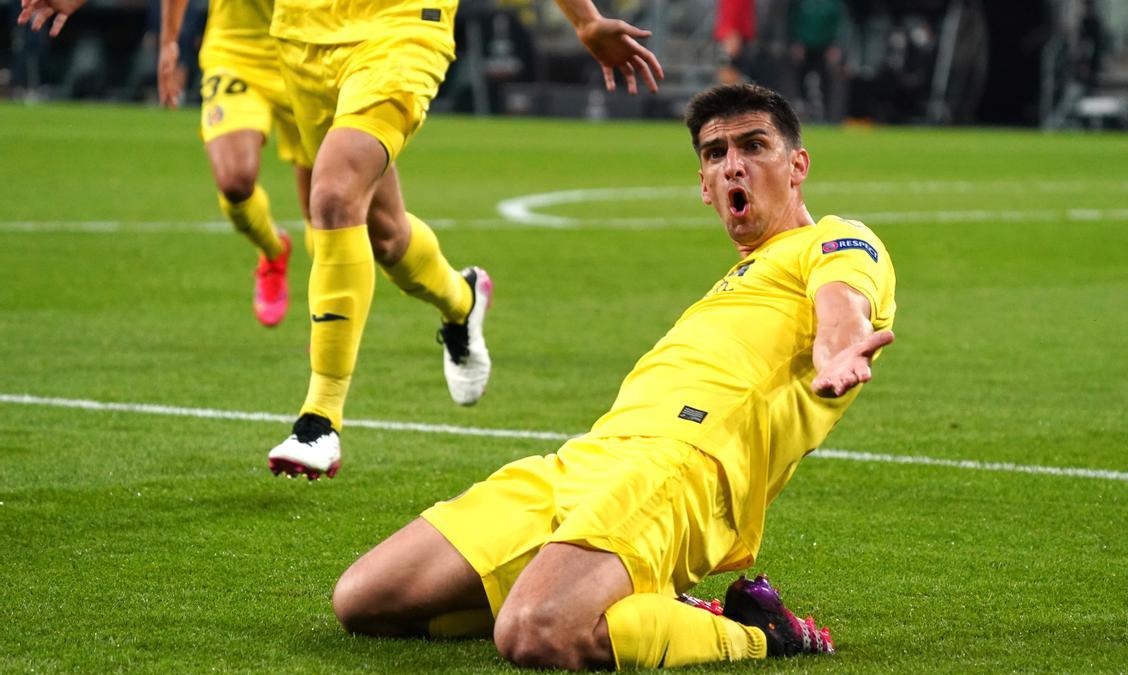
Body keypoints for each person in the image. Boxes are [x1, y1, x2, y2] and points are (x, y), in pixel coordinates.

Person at [329, 83, 897, 669]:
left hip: (682, 466)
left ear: (797, 164)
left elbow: (843, 306)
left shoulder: (832, 241)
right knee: (365, 600)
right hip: (590, 458)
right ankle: (614, 592)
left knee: (535, 633)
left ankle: (761, 633)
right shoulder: (743, 277)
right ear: (704, 186)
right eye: (715, 153)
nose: (733, 165)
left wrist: (838, 353)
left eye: (754, 146)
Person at [20, 0, 665, 481]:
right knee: (383, 236)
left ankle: (319, 420)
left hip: (400, 31)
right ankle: (462, 300)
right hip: (299, 41)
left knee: (331, 195)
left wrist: (582, 20)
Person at [158, 0, 310, 328]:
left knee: (328, 206)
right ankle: (273, 249)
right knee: (234, 180)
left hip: (308, 53)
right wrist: (169, 41)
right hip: (235, 51)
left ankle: (331, 327)